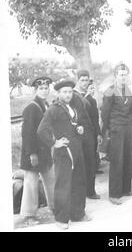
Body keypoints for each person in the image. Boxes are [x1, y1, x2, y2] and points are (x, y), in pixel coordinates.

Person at [37, 80, 91, 230]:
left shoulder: (73, 106)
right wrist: (54, 143)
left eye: (70, 92)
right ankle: (61, 219)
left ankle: (78, 214)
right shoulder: (53, 109)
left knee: (79, 182)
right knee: (63, 185)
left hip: (77, 149)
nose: (68, 95)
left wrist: (79, 129)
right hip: (63, 153)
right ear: (59, 94)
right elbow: (42, 130)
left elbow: (74, 124)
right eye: (65, 92)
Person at [101, 63, 132, 205]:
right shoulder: (110, 91)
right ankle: (114, 194)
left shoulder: (128, 90)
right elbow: (105, 114)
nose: (123, 77)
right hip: (116, 129)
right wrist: (104, 133)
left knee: (127, 159)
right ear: (115, 76)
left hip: (128, 129)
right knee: (117, 161)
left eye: (125, 74)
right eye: (121, 74)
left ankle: (126, 189)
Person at [19, 77, 54, 226]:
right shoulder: (31, 108)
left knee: (51, 181)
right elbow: (27, 134)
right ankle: (28, 215)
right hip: (33, 153)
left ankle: (54, 207)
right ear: (35, 90)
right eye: (41, 88)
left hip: (45, 152)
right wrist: (32, 153)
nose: (44, 91)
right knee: (31, 184)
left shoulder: (46, 105)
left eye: (46, 88)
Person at [73, 70, 101, 200]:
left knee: (91, 163)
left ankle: (91, 191)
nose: (84, 83)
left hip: (90, 135)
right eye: (82, 80)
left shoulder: (91, 98)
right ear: (77, 80)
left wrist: (98, 134)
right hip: (77, 134)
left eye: (86, 80)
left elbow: (95, 119)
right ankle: (80, 192)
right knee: (79, 164)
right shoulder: (73, 95)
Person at [85, 80, 103, 174]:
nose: (92, 90)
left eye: (93, 88)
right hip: (90, 129)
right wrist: (98, 132)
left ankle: (95, 168)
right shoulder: (88, 100)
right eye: (90, 88)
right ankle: (92, 169)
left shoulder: (92, 99)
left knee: (94, 149)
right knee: (91, 150)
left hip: (94, 128)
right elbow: (93, 118)